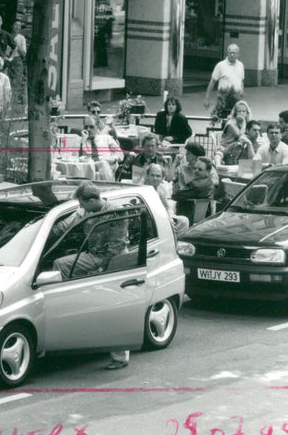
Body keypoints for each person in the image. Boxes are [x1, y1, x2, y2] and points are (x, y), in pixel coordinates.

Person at [50, 182, 130, 370]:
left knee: (114, 310)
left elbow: (116, 246)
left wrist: (99, 270)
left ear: (92, 200)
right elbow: (64, 226)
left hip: (111, 259)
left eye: (82, 204)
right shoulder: (87, 210)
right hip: (94, 255)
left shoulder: (116, 212)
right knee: (60, 265)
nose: (81, 207)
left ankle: (120, 356)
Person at [144, 163, 189, 236]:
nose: (155, 178)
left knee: (184, 220)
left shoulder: (161, 188)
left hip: (161, 218)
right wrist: (166, 222)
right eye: (152, 175)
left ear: (162, 178)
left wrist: (170, 219)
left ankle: (175, 244)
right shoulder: (143, 188)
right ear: (147, 176)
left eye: (158, 176)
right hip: (148, 220)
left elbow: (167, 207)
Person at [204, 43, 244, 118]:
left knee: (237, 119)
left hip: (236, 98)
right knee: (224, 120)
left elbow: (241, 81)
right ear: (227, 53)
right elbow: (212, 82)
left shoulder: (240, 65)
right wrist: (206, 98)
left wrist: (242, 96)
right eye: (230, 52)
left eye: (234, 53)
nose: (232, 55)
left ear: (238, 54)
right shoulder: (220, 65)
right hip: (223, 99)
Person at [79, 115, 124, 181]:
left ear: (97, 127)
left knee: (103, 163)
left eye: (91, 127)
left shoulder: (106, 138)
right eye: (86, 127)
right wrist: (82, 142)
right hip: (89, 167)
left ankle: (110, 185)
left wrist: (110, 159)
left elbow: (120, 155)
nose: (88, 129)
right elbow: (78, 158)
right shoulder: (82, 140)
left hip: (106, 166)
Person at [172, 156, 214, 220]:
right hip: (202, 217)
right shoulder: (209, 182)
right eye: (195, 168)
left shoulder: (197, 186)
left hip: (188, 218)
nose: (196, 171)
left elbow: (175, 196)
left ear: (207, 171)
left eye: (200, 169)